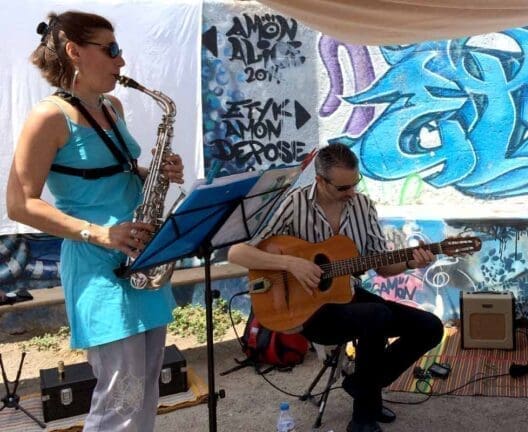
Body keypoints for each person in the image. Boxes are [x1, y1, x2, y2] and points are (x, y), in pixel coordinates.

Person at [6, 11, 184, 431]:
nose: (121, 62)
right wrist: (100, 233)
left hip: (141, 257)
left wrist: (153, 173)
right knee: (120, 402)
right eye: (111, 50)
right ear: (74, 52)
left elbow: (112, 174)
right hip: (97, 266)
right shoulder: (48, 118)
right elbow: (19, 204)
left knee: (145, 396)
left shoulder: (112, 105)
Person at [228, 143, 444, 432]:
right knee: (376, 316)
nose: (351, 193)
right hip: (308, 310)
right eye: (343, 188)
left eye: (355, 184)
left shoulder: (363, 206)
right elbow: (237, 253)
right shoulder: (296, 204)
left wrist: (410, 262)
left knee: (429, 326)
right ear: (321, 181)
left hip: (348, 295)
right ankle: (363, 418)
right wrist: (292, 264)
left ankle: (362, 384)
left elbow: (381, 264)